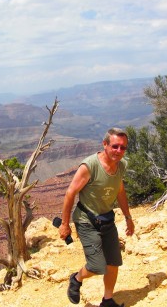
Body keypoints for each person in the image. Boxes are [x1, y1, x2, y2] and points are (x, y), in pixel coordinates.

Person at [59, 127, 135, 307]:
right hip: (87, 220)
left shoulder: (121, 165)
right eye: (115, 146)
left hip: (107, 219)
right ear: (105, 144)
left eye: (123, 148)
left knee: (113, 263)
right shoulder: (90, 166)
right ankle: (76, 279)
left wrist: (128, 217)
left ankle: (107, 300)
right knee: (96, 266)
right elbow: (70, 193)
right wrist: (64, 224)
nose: (119, 151)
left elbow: (120, 191)